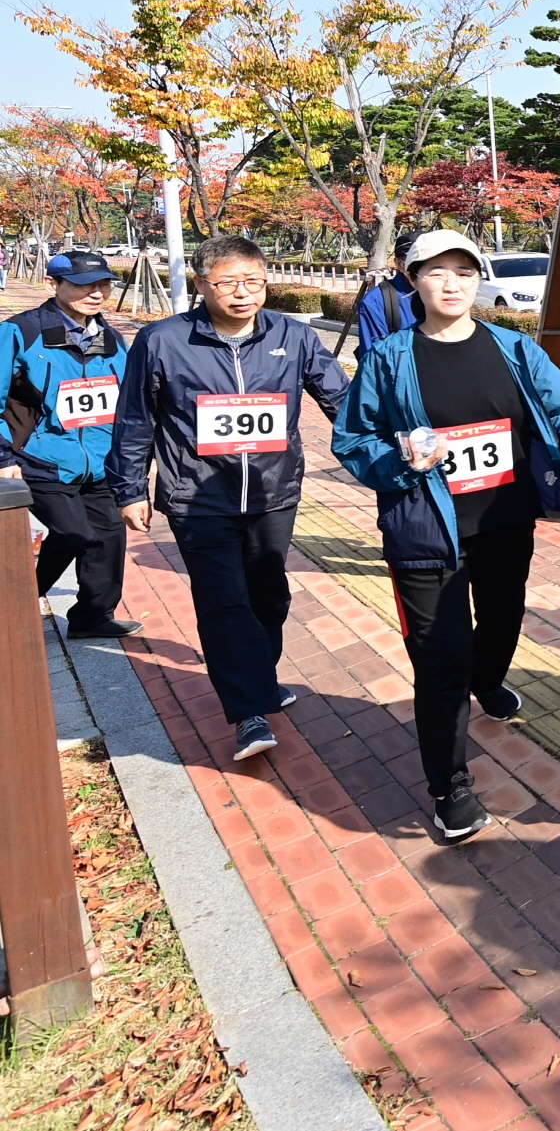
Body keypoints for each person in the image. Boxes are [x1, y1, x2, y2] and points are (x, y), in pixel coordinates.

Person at [331, 230, 560, 844]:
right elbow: (352, 442)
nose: (452, 282)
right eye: (436, 272)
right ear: (413, 282)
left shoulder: (513, 348)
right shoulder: (389, 358)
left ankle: (489, 680)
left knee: (504, 619)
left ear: (480, 277)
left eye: (465, 270)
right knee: (440, 659)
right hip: (426, 532)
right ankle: (449, 786)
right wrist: (403, 458)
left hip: (505, 523)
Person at [107, 234, 350, 762]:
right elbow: (134, 421)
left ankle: (258, 677)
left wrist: (385, 454)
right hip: (197, 498)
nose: (242, 294)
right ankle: (248, 712)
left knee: (268, 596)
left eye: (253, 281)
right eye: (228, 283)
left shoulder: (292, 334)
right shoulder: (163, 340)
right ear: (202, 285)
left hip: (272, 490)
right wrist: (129, 489)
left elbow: (340, 401)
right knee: (224, 601)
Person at [0, 251, 140, 638]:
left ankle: (92, 616)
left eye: (102, 284)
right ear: (53, 284)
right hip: (40, 458)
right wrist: (2, 456)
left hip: (100, 460)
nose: (95, 293)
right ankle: (15, 607)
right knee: (73, 533)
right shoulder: (21, 332)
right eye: (83, 285)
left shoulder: (111, 338)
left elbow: (128, 400)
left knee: (109, 536)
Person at [353, 233, 421, 354]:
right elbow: (375, 362)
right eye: (417, 260)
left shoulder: (451, 296)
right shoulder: (376, 301)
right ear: (399, 264)